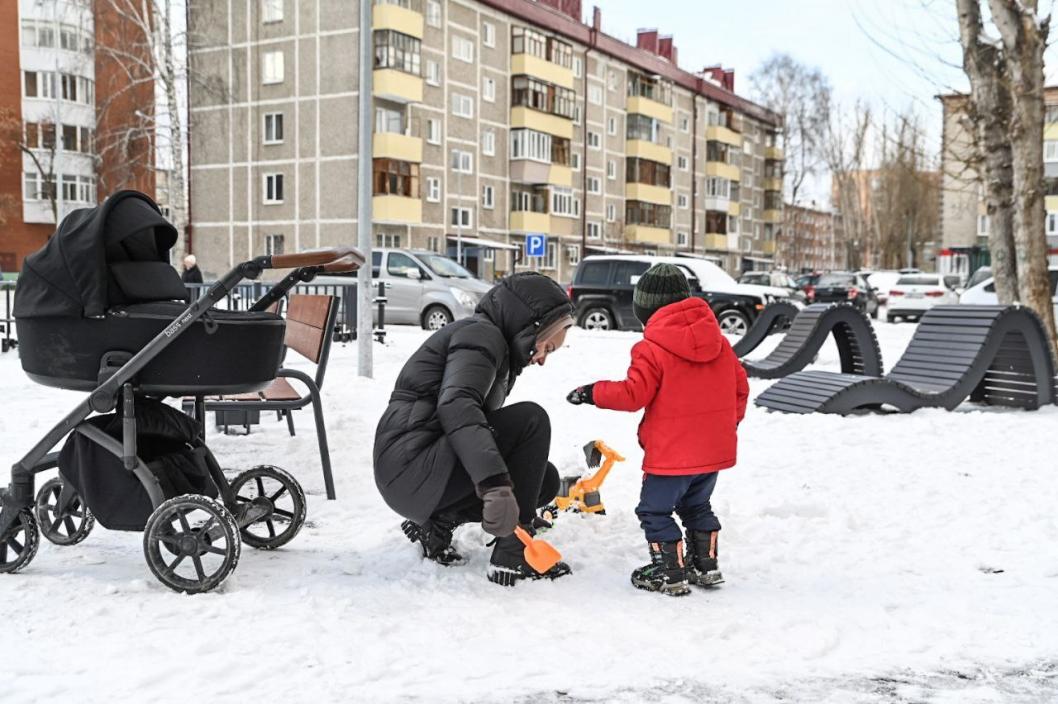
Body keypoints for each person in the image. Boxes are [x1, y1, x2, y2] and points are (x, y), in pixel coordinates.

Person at [374, 272, 576, 586]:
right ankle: (514, 553)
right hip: (412, 463)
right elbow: (457, 406)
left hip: (415, 472)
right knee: (531, 420)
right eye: (546, 347)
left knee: (543, 481)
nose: (541, 359)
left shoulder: (493, 342)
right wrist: (494, 484)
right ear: (530, 325)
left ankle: (437, 524)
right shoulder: (482, 335)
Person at [566, 263, 749, 596]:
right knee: (697, 506)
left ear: (644, 308)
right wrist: (726, 426)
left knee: (654, 510)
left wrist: (592, 392)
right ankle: (705, 565)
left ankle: (670, 572)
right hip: (712, 453)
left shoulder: (651, 349)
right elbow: (740, 388)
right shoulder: (720, 344)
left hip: (671, 456)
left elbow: (633, 394)